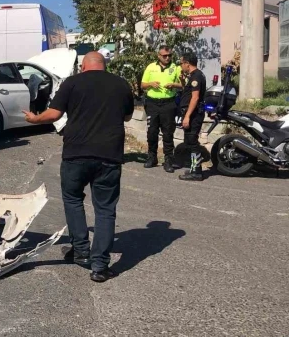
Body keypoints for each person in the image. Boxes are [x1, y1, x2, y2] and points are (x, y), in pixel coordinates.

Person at [23, 52, 133, 283]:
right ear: (104, 66)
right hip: (109, 155)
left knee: (73, 200)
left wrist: (34, 119)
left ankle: (81, 252)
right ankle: (100, 266)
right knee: (105, 210)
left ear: (83, 66)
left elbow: (54, 114)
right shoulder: (121, 84)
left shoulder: (72, 82)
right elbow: (128, 116)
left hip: (76, 154)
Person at [140, 45, 182, 173]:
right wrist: (150, 84)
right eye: (164, 56)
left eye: (169, 56)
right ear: (159, 56)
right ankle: (152, 157)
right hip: (152, 103)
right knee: (152, 132)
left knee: (168, 132)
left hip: (168, 104)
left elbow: (183, 85)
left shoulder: (176, 68)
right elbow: (142, 85)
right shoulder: (151, 67)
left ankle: (168, 159)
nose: (167, 58)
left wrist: (174, 85)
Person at [177, 51, 207, 182]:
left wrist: (187, 116)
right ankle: (195, 168)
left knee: (192, 142)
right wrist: (183, 82)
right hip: (192, 114)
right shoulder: (194, 76)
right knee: (190, 141)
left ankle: (196, 171)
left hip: (194, 115)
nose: (180, 66)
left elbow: (195, 98)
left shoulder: (196, 77)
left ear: (187, 63)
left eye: (181, 63)